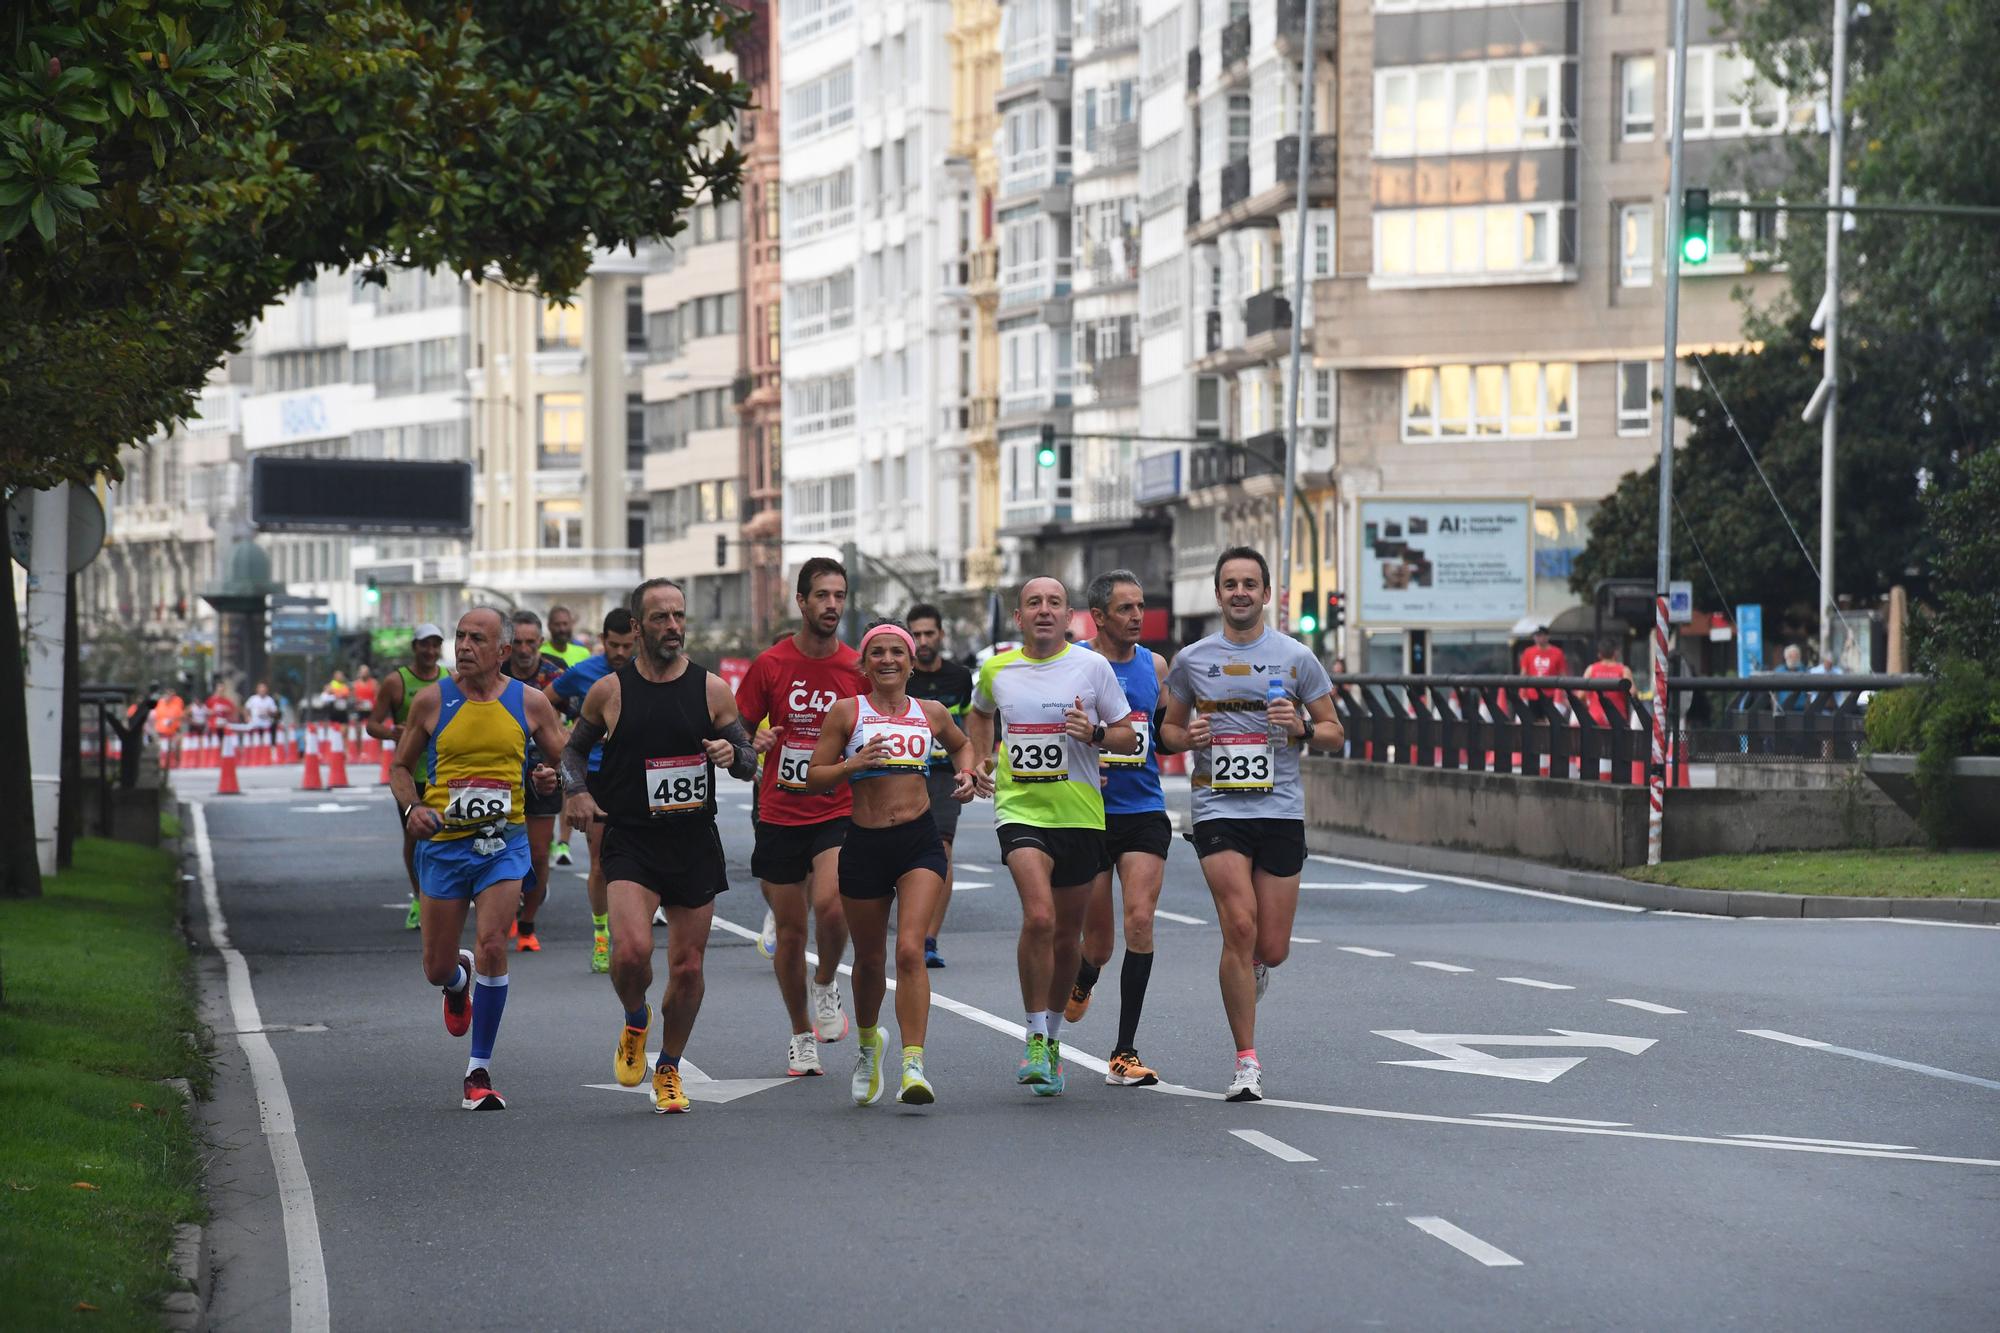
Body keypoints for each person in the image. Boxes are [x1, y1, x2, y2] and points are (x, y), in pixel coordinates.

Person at [561, 580, 757, 1113]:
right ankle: (635, 1018)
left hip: (693, 840)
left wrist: (729, 751)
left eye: (678, 616)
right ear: (637, 625)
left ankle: (668, 1066)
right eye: (660, 618)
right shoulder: (611, 692)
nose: (672, 626)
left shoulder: (711, 689)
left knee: (689, 967)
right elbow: (572, 753)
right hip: (633, 840)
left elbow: (747, 759)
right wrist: (576, 791)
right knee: (630, 954)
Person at [1158, 547, 1342, 1103]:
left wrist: (1304, 728)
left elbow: (1335, 731)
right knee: (1238, 927)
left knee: (1272, 945)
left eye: (1250, 584)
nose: (1240, 592)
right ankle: (1246, 1062)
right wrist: (1184, 738)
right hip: (1217, 809)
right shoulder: (1192, 659)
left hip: (1280, 810)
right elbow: (1168, 729)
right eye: (1230, 584)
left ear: (1265, 593)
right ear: (1218, 595)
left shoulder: (1296, 657)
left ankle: (1258, 964)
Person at [388, 608, 570, 1110]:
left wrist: (552, 780)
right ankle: (456, 980)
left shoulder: (529, 703)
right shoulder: (431, 701)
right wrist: (413, 807)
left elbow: (566, 761)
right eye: (460, 637)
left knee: (493, 943)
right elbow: (400, 767)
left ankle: (479, 1070)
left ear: (503, 652)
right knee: (435, 967)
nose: (463, 646)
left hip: (501, 844)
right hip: (445, 848)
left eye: (477, 639)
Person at [967, 577, 1138, 1097]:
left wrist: (1098, 735)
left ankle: (1055, 1037)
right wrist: (979, 758)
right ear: (1019, 617)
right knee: (1038, 916)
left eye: (1055, 603)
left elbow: (1130, 735)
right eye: (1034, 603)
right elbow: (979, 713)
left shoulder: (1092, 668)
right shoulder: (997, 669)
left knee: (1068, 938)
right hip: (1020, 811)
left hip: (1081, 816)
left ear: (1070, 617)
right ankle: (1034, 1036)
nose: (1044, 611)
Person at [805, 620, 979, 1106]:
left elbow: (962, 744)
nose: (887, 660)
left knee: (909, 950)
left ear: (910, 662)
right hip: (864, 843)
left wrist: (965, 773)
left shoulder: (931, 712)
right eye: (877, 652)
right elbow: (814, 777)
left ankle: (913, 1064)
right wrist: (850, 766)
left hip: (918, 841)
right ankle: (867, 1047)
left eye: (896, 652)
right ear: (864, 664)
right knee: (868, 960)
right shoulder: (846, 713)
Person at [734, 558, 867, 1076]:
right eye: (822, 596)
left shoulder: (855, 668)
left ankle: (827, 981)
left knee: (833, 907)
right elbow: (736, 734)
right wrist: (752, 743)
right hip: (780, 810)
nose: (832, 605)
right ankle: (798, 1033)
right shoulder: (770, 665)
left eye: (839, 595)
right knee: (790, 933)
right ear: (802, 602)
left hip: (836, 806)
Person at [1070, 570, 1175, 1087]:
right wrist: (1093, 746)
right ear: (1101, 616)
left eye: (1140, 606)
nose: (1138, 616)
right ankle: (1084, 977)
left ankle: (1124, 1053)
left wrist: (1189, 736)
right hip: (1088, 813)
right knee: (1100, 945)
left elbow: (1163, 732)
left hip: (1144, 812)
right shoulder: (1076, 665)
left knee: (1140, 919)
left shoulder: (1154, 665)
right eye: (1126, 608)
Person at [547, 609, 641, 974]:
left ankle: (634, 928)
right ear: (603, 640)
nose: (619, 652)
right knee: (600, 860)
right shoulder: (584, 672)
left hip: (638, 777)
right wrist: (562, 732)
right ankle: (602, 936)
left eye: (626, 645)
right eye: (613, 645)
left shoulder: (646, 672)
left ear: (636, 640)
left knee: (646, 856)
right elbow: (544, 699)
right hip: (598, 775)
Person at [903, 602, 975, 968]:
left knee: (942, 849)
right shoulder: (900, 674)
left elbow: (966, 725)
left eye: (930, 633)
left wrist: (971, 767)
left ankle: (929, 938)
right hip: (905, 773)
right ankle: (910, 929)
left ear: (941, 635)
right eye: (916, 634)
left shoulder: (960, 677)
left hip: (945, 774)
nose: (923, 640)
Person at [366, 625, 447, 930]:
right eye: (424, 645)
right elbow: (372, 724)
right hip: (410, 776)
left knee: (445, 837)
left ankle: (441, 898)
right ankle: (418, 898)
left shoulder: (449, 680)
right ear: (415, 647)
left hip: (443, 773)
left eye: (435, 645)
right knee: (415, 836)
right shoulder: (396, 682)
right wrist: (391, 732)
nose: (430, 651)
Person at [501, 611, 567, 952]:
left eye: (531, 642)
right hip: (501, 772)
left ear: (540, 642)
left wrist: (560, 749)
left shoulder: (556, 675)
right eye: (518, 642)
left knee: (539, 854)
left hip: (543, 770)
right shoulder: (497, 672)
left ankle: (527, 923)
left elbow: (581, 719)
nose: (524, 649)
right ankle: (505, 908)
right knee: (501, 848)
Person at [545, 605, 592, 865]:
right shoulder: (540, 653)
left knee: (568, 784)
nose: (562, 629)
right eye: (557, 624)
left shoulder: (582, 653)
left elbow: (587, 696)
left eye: (566, 624)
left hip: (575, 729)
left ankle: (562, 843)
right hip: (545, 727)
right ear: (549, 626)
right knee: (547, 785)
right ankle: (547, 837)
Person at [1517, 625, 1568, 719]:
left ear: (1547, 636)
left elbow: (1562, 674)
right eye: (1536, 635)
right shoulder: (1528, 652)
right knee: (1534, 721)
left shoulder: (1557, 652)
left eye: (1541, 635)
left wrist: (1565, 695)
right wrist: (1522, 693)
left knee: (1551, 721)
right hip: (1532, 694)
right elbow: (1523, 673)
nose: (1538, 638)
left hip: (1551, 694)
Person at [1582, 638, 1634, 729]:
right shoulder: (1624, 670)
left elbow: (1581, 694)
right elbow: (1633, 692)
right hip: (1618, 717)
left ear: (1599, 654)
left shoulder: (1591, 669)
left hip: (1595, 717)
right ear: (1616, 653)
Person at [244, 682, 280, 749]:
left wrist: (270, 712)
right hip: (255, 725)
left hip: (266, 726)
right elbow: (246, 708)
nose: (262, 690)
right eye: (261, 689)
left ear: (266, 690)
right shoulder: (253, 699)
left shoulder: (269, 700)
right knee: (255, 744)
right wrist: (247, 717)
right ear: (257, 689)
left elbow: (275, 712)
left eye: (264, 689)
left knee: (266, 744)